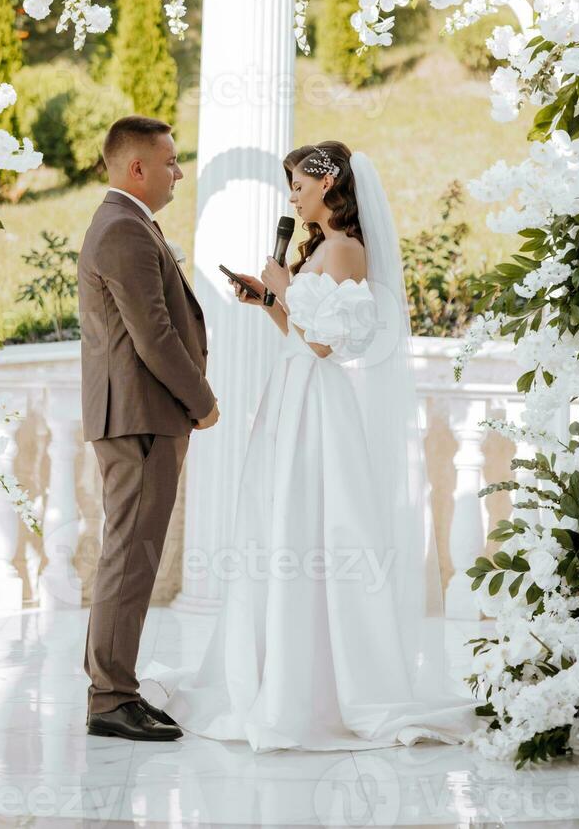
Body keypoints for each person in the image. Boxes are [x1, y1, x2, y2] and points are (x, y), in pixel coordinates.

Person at [139, 140, 484, 752]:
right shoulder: (321, 248)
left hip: (317, 403)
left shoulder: (347, 250)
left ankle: (319, 686)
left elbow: (326, 344)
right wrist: (269, 300)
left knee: (314, 530)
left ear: (328, 185)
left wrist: (281, 290)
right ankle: (269, 668)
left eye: (297, 182)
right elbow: (299, 333)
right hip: (290, 393)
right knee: (279, 528)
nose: (291, 194)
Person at [78, 115, 220, 742]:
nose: (178, 172)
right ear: (137, 167)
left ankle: (118, 690)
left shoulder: (127, 225)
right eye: (170, 162)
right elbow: (154, 334)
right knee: (130, 559)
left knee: (133, 557)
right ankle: (110, 698)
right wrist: (203, 400)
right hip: (139, 418)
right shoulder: (123, 230)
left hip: (141, 416)